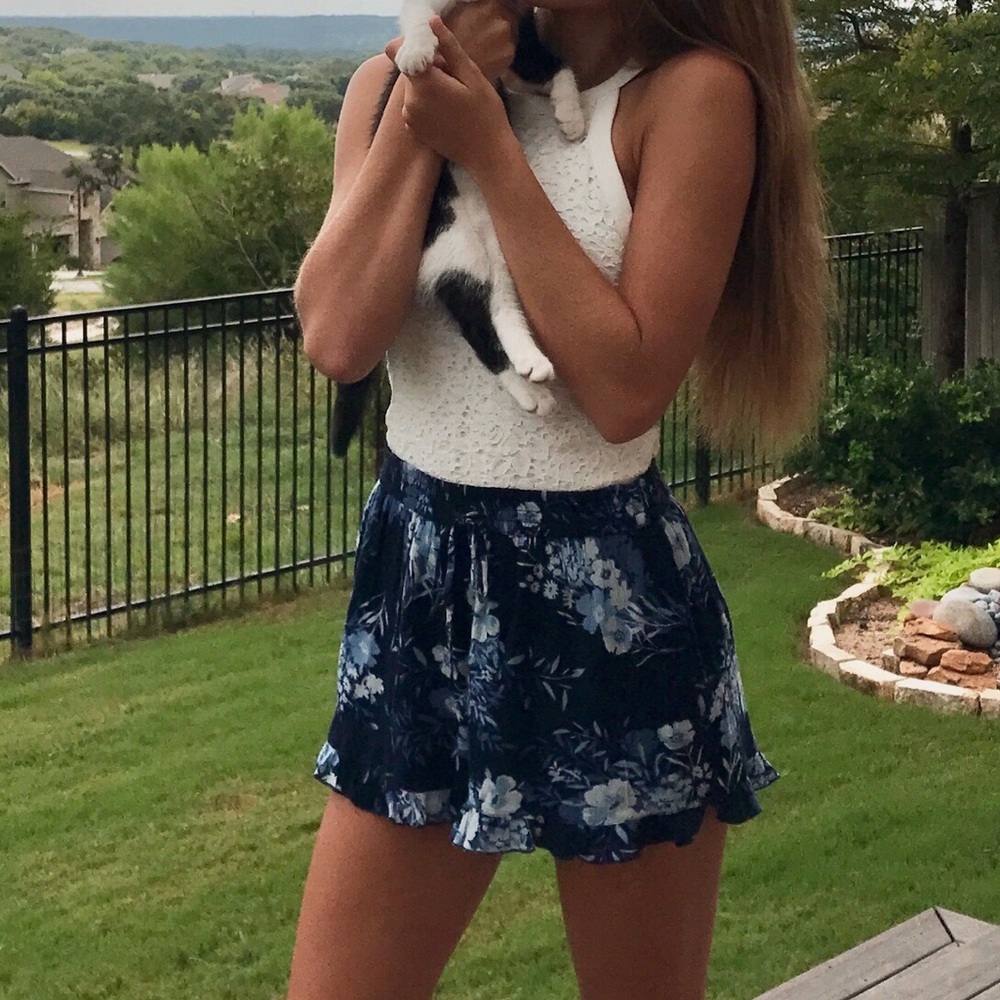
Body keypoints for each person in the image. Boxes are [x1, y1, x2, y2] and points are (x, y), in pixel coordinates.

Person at [289, 1, 830, 998]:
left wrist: (491, 151)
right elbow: (336, 337)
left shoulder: (688, 96)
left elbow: (624, 388)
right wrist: (425, 121)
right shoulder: (385, 89)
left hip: (610, 604)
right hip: (424, 592)